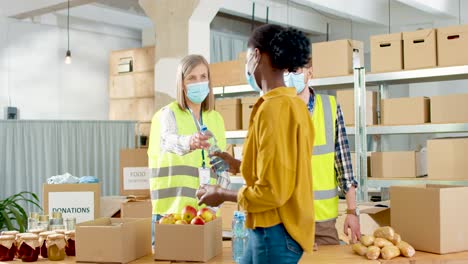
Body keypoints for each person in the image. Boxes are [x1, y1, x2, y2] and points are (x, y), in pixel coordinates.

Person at [196, 24, 315, 263]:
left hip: (275, 231)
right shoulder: (293, 103)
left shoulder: (274, 108)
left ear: (257, 55)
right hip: (271, 229)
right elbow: (281, 167)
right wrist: (238, 164)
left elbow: (273, 191)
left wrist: (222, 194)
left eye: (248, 56)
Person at [283, 63, 360, 245]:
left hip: (323, 221)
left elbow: (344, 164)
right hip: (286, 222)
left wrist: (351, 212)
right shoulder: (276, 110)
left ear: (310, 72)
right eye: (286, 71)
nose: (289, 75)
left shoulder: (330, 107)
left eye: (295, 70)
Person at [147, 54, 226, 231]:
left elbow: (222, 170)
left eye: (203, 77)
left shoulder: (216, 119)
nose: (199, 82)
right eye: (192, 78)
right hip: (171, 214)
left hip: (207, 214)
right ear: (182, 83)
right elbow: (168, 140)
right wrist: (190, 141)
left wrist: (214, 207)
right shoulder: (168, 114)